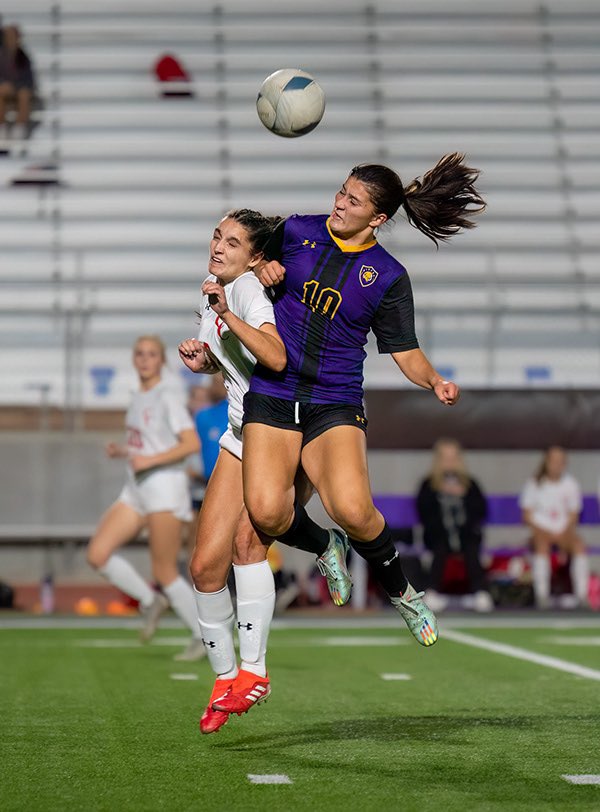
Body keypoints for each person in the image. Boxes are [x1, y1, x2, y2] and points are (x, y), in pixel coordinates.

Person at [214, 153, 485, 717]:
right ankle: (323, 546)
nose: (339, 203)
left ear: (378, 218)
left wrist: (433, 379)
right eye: (341, 192)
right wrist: (260, 267)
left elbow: (404, 351)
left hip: (334, 398)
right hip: (273, 391)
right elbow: (245, 257)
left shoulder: (387, 276)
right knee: (265, 514)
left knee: (354, 509)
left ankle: (403, 594)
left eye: (353, 200)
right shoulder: (297, 229)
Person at [178, 209, 352, 735]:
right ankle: (226, 677)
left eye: (232, 242)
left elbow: (274, 355)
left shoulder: (249, 290)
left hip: (281, 429)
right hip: (240, 429)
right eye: (216, 235)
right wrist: (203, 356)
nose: (218, 246)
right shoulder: (214, 287)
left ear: (256, 256)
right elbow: (232, 356)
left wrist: (230, 315)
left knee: (251, 542)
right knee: (204, 569)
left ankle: (254, 670)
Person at [87, 335, 205, 661]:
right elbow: (150, 442)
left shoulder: (167, 395)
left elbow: (191, 443)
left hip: (164, 489)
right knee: (98, 554)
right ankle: (149, 600)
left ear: (161, 360)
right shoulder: (137, 395)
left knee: (165, 572)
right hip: (136, 487)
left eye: (151, 354)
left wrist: (149, 461)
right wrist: (124, 451)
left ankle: (205, 636)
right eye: (139, 353)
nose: (144, 359)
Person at [416, 438, 492, 613]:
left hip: (466, 534)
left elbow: (481, 511)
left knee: (471, 548)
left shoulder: (470, 484)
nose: (449, 462)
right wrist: (440, 494)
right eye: (445, 457)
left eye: (453, 457)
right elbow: (424, 512)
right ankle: (432, 590)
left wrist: (463, 496)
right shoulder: (429, 485)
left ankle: (480, 591)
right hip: (438, 534)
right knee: (440, 547)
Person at [520, 446, 589, 609]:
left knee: (579, 545)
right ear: (546, 462)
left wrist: (563, 533)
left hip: (564, 531)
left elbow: (574, 514)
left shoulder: (571, 484)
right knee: (541, 545)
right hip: (541, 531)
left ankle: (582, 595)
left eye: (561, 462)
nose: (557, 465)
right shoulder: (535, 484)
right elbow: (527, 516)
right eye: (554, 461)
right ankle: (542, 595)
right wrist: (544, 532)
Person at [0, 24, 36, 148]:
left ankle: (19, 130)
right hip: (4, 91)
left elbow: (29, 80)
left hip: (18, 90)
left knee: (24, 94)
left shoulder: (23, 57)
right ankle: (2, 129)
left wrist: (15, 86)